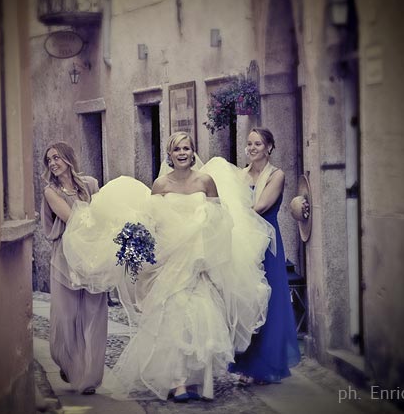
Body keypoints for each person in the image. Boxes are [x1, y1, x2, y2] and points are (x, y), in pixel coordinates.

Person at [61, 132, 273, 402]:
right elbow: (153, 223)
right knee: (173, 319)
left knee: (200, 319)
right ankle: (178, 382)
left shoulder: (206, 182)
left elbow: (221, 220)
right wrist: (140, 243)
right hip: (171, 261)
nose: (182, 153)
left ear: (193, 151)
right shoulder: (160, 185)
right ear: (169, 155)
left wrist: (205, 246)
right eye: (177, 149)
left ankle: (200, 382)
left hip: (199, 259)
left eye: (186, 148)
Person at [228, 127, 301, 385]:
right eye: (249, 143)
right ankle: (245, 363)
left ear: (269, 146)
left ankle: (265, 363)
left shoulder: (276, 175)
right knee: (247, 301)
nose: (252, 147)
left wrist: (234, 210)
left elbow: (260, 207)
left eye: (258, 143)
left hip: (267, 243)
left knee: (268, 301)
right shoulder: (238, 175)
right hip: (242, 244)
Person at [40, 141, 107, 395]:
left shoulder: (90, 184)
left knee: (93, 315)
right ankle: (69, 362)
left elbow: (104, 214)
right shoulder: (51, 191)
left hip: (92, 257)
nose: (53, 163)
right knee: (66, 317)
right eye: (49, 160)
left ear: (68, 158)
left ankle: (88, 376)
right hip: (66, 258)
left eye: (56, 157)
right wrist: (100, 216)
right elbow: (72, 218)